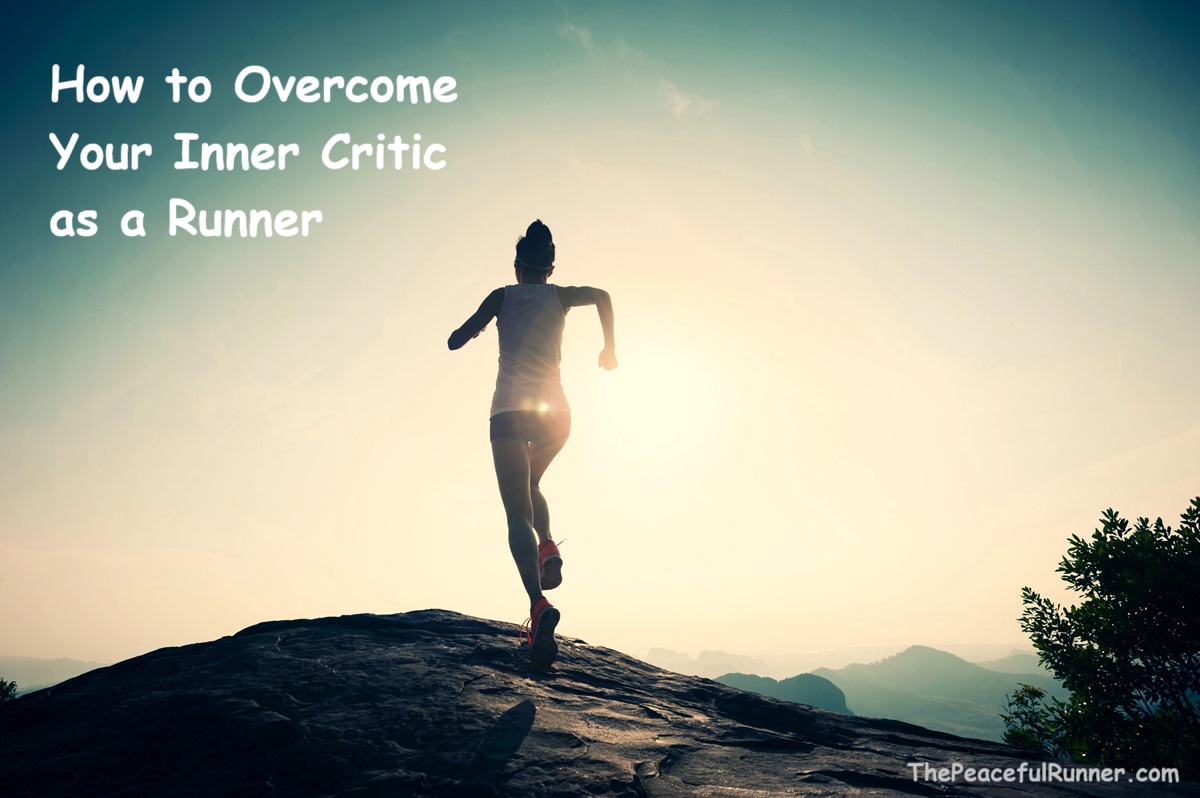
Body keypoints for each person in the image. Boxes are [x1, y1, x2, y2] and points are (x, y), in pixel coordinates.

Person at [448, 219, 617, 670]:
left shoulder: (502, 295)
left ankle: (538, 604)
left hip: (508, 413)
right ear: (550, 267)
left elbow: (456, 339)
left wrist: (471, 332)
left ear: (518, 265)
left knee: (516, 510)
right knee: (534, 482)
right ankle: (548, 546)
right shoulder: (560, 296)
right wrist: (609, 349)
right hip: (556, 415)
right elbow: (602, 296)